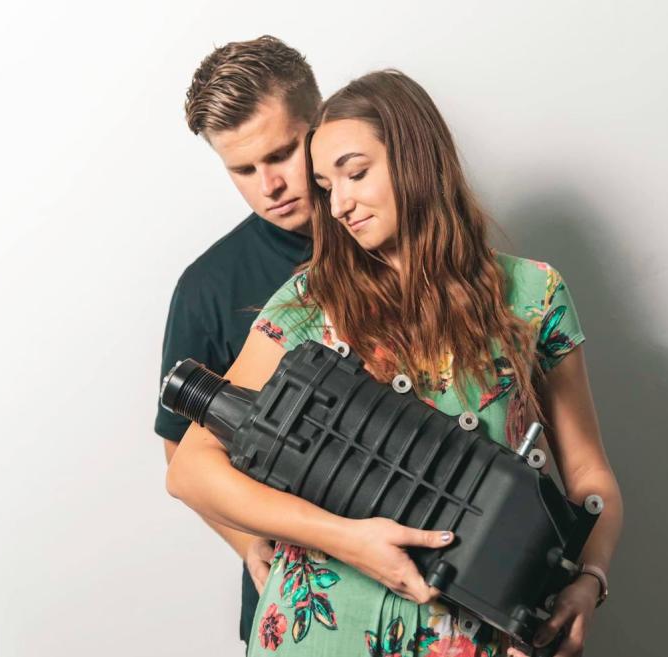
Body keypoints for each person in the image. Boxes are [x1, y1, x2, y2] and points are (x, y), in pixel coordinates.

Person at [167, 70, 623, 657]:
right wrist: (347, 540)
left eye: (356, 174)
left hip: (472, 633)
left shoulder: (533, 297)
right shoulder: (309, 303)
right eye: (328, 186)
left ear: (416, 159)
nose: (340, 204)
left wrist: (589, 581)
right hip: (325, 633)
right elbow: (191, 470)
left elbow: (589, 478)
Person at [155, 35, 319, 647]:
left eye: (281, 153)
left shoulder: (395, 236)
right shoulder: (207, 286)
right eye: (242, 169)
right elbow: (182, 457)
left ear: (322, 122)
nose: (269, 185)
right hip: (297, 601)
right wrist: (249, 542)